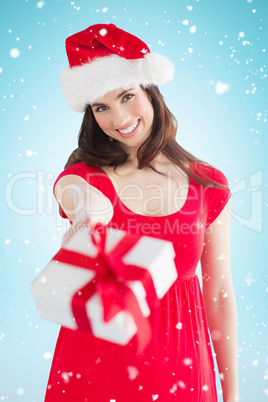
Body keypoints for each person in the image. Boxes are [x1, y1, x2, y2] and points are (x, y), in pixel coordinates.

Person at [45, 23, 238, 401]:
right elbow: (72, 193)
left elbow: (218, 292)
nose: (118, 118)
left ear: (151, 93)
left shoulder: (208, 184)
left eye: (127, 96)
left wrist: (231, 391)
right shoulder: (84, 178)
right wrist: (87, 213)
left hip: (184, 370)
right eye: (102, 106)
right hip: (94, 371)